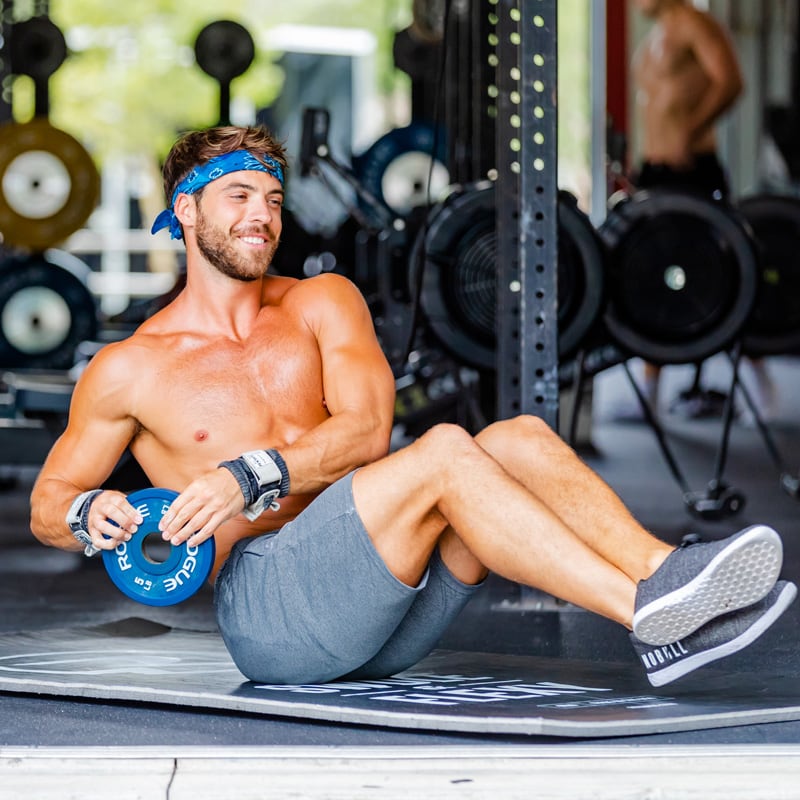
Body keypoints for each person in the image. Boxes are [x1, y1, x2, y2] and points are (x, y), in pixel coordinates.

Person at [29, 125, 795, 690]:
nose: (262, 214)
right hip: (273, 617)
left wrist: (250, 471)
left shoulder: (322, 302)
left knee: (519, 437)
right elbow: (48, 504)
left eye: (271, 197)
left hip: (389, 601)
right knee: (446, 451)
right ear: (186, 214)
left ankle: (668, 580)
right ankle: (648, 616)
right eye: (238, 196)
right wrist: (87, 514)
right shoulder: (130, 368)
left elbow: (365, 434)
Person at [624, 0, 776, 421]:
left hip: (692, 167)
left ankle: (761, 384)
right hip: (655, 171)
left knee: (717, 277)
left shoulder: (694, 23)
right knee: (649, 276)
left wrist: (689, 131)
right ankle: (649, 394)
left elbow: (730, 83)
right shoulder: (652, 39)